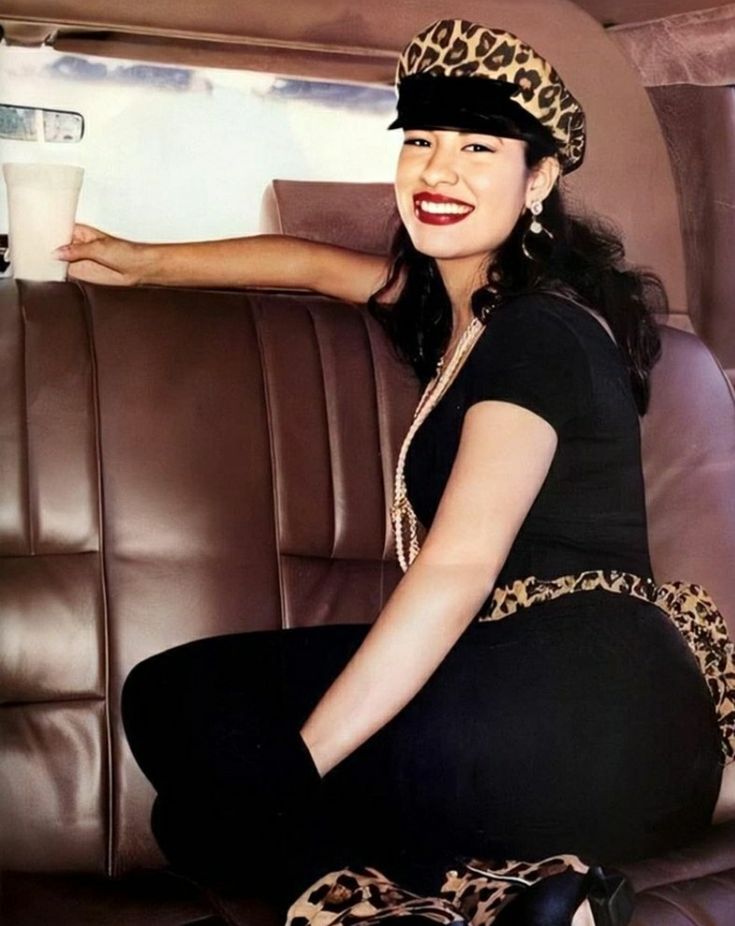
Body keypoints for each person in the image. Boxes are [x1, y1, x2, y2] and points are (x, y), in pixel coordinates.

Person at [55, 18, 735, 926]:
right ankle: (529, 900)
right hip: (598, 732)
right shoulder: (466, 312)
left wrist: (289, 774)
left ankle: (409, 894)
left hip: (573, 699)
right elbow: (314, 266)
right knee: (175, 709)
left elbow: (455, 571)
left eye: (477, 148)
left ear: (538, 180)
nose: (436, 170)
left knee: (206, 787)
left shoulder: (537, 333)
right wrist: (142, 262)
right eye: (419, 140)